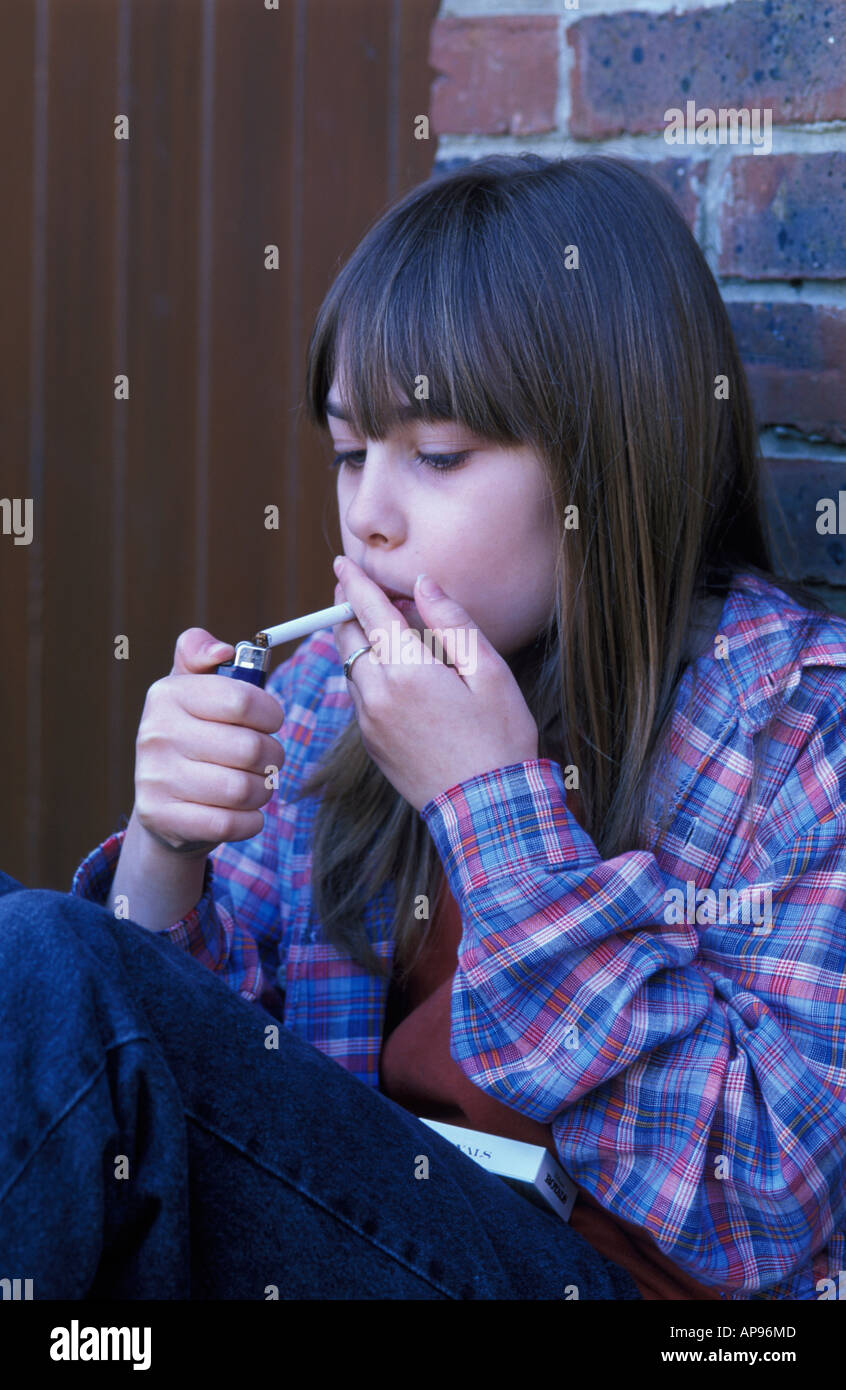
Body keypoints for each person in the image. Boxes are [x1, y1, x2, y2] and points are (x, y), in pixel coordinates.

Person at [3, 153, 845, 1300]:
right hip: (357, 1247)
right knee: (32, 949)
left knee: (46, 965)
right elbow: (200, 1100)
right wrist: (166, 857)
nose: (369, 514)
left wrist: (489, 813)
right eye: (352, 453)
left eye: (435, 455)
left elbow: (761, 1205)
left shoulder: (799, 728)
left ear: (611, 459)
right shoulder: (321, 696)